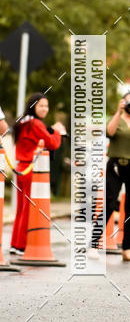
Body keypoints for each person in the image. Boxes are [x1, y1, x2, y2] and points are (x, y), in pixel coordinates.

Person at [90, 89, 130, 262]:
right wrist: (118, 111)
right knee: (109, 203)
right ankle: (93, 244)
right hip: (116, 165)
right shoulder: (116, 119)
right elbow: (109, 132)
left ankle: (127, 248)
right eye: (128, 102)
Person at [10, 93, 66, 256]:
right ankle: (21, 246)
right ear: (33, 106)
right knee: (28, 209)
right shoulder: (35, 123)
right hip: (31, 171)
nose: (44, 109)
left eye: (46, 106)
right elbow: (53, 143)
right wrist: (57, 131)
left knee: (21, 208)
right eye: (41, 105)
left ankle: (15, 243)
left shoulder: (22, 121)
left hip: (21, 168)